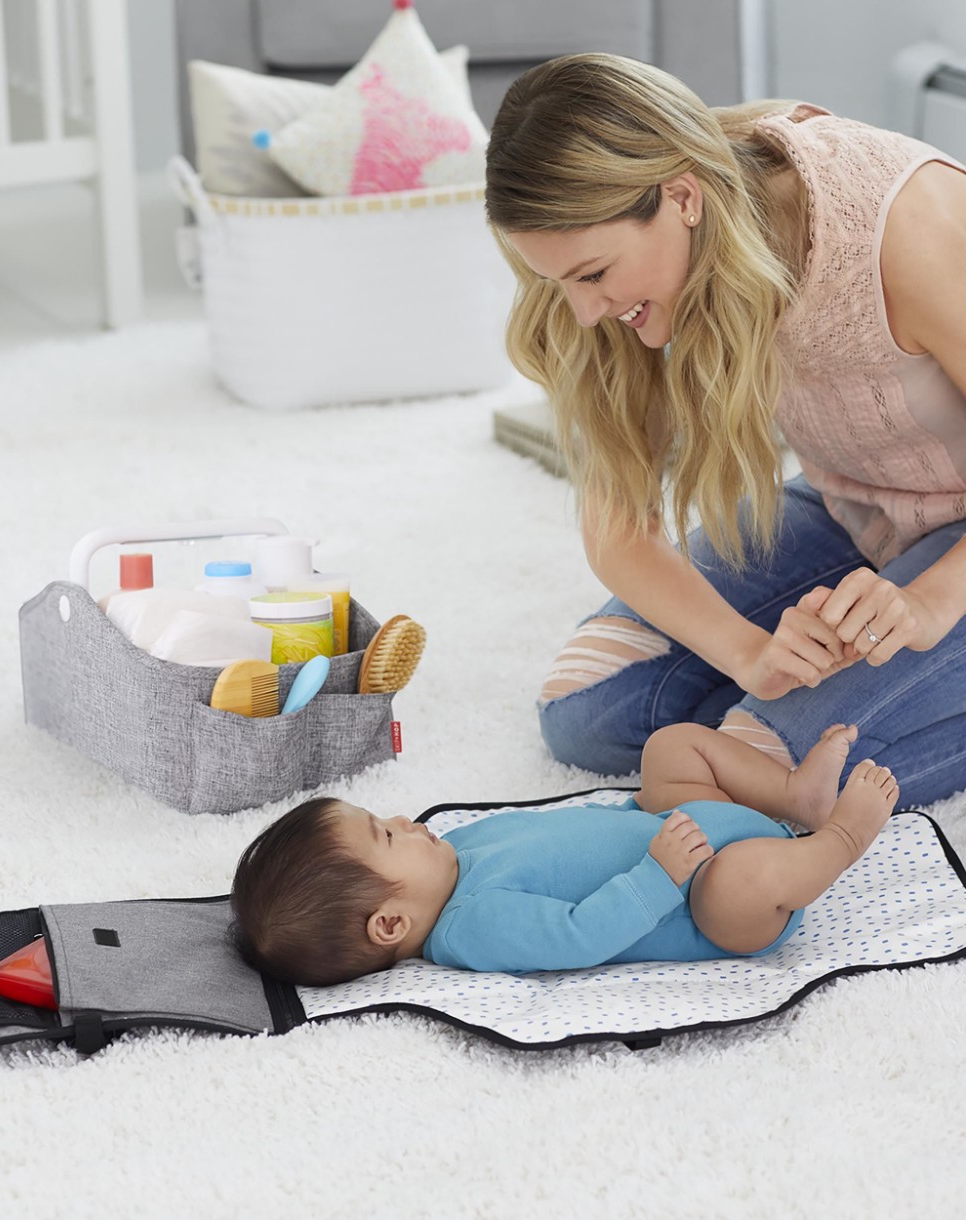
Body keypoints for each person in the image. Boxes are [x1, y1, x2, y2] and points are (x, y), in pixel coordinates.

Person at [482, 54, 966, 807]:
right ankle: (856, 709)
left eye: (593, 275)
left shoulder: (903, 224)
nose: (583, 312)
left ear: (682, 197)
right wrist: (750, 657)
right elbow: (617, 529)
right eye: (558, 281)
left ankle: (839, 720)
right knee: (586, 708)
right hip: (856, 503)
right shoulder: (615, 259)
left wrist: (930, 603)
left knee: (759, 772)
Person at [229, 722, 898, 983]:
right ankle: (840, 837)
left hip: (670, 821)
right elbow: (579, 937)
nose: (404, 820)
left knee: (671, 747)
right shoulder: (471, 928)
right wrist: (659, 876)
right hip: (702, 899)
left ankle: (792, 795)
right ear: (390, 923)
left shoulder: (447, 858)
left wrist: (654, 828)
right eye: (384, 835)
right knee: (742, 883)